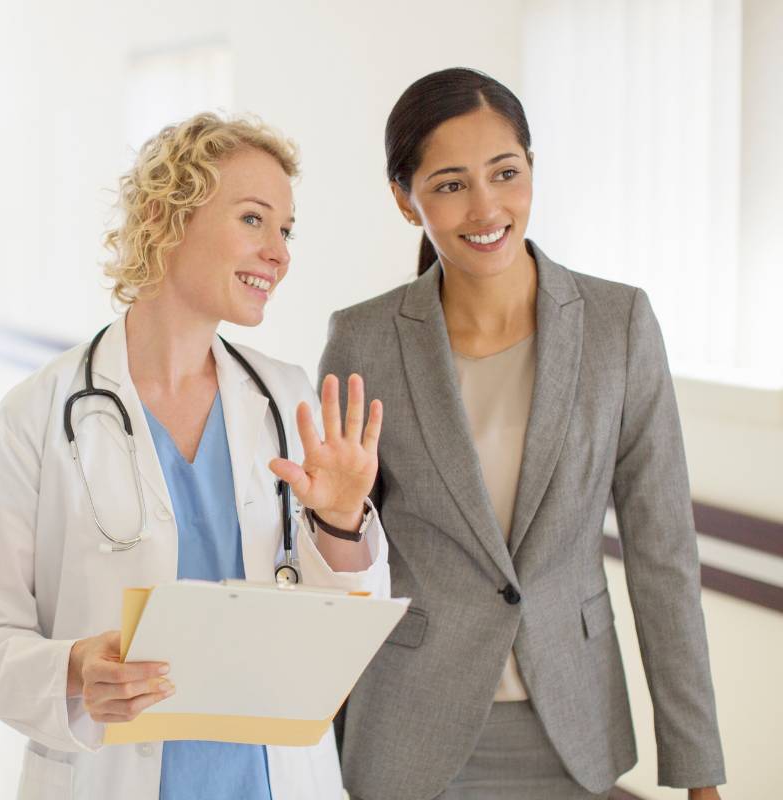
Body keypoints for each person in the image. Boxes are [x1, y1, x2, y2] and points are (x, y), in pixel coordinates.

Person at [0, 112, 389, 800]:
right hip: (107, 776)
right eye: (253, 220)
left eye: (287, 230)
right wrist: (72, 667)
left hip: (273, 780)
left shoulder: (286, 398)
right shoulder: (35, 415)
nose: (280, 252)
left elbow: (338, 628)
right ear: (164, 216)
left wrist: (342, 522)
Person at [323, 68, 726, 800]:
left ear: (531, 169)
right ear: (404, 200)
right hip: (408, 727)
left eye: (504, 173)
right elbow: (339, 562)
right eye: (449, 184)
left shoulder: (619, 325)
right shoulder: (364, 339)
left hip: (571, 728)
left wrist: (699, 773)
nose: (486, 207)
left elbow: (664, 557)